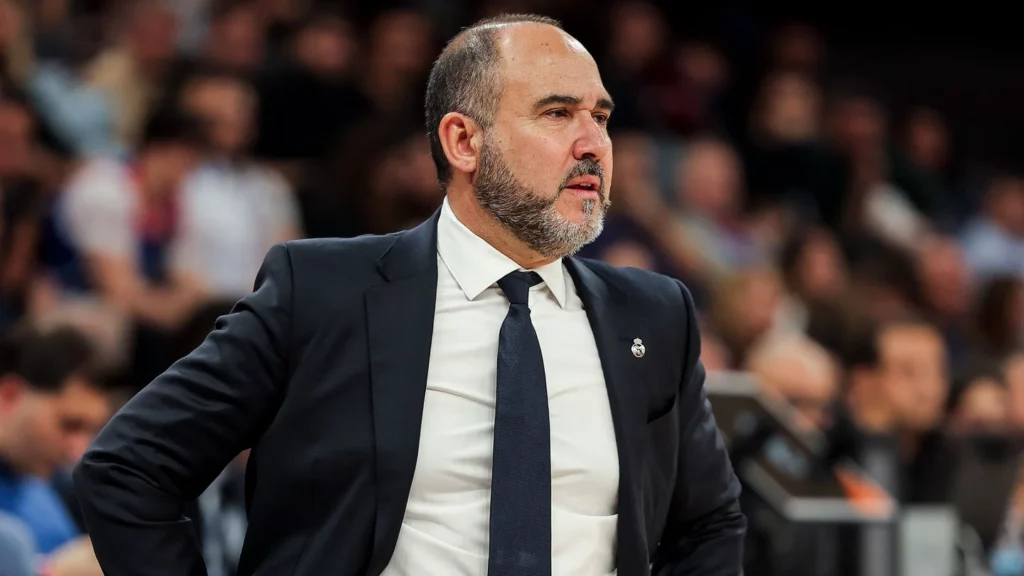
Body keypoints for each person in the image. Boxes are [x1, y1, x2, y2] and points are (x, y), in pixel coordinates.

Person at [74, 13, 745, 576]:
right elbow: (128, 471)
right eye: (557, 113)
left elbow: (709, 523)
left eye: (599, 116)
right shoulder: (323, 294)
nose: (592, 142)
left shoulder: (655, 316)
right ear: (463, 141)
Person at [0, 323, 110, 575]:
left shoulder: (45, 494)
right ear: (9, 396)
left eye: (89, 430)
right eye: (69, 425)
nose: (79, 450)